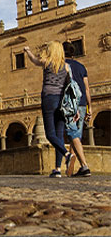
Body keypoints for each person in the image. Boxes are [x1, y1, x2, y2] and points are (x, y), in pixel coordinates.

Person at [24, 42, 72, 177]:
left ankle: (67, 154)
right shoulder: (67, 67)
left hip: (49, 99)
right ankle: (57, 169)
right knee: (59, 134)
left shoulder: (46, 62)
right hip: (62, 101)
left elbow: (34, 60)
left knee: (50, 134)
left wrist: (28, 51)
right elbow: (69, 85)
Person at [65, 44, 92, 177]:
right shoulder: (81, 67)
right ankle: (74, 167)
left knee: (73, 135)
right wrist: (89, 107)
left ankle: (84, 166)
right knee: (75, 135)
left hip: (70, 104)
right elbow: (87, 89)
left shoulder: (61, 66)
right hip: (82, 104)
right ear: (73, 54)